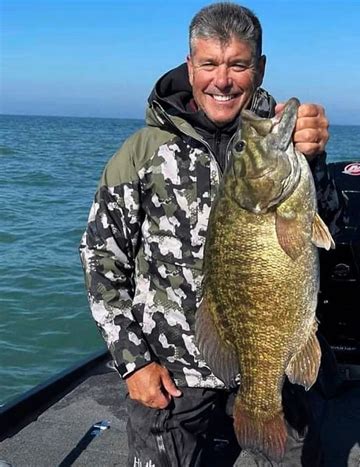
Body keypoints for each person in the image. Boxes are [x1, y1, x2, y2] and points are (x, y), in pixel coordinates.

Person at [80, 3, 336, 466]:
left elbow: (333, 234)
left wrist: (315, 162)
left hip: (269, 366)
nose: (223, 79)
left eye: (238, 64)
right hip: (173, 378)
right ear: (189, 66)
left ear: (259, 68)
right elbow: (100, 257)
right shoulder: (141, 152)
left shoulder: (284, 147)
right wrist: (133, 361)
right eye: (209, 64)